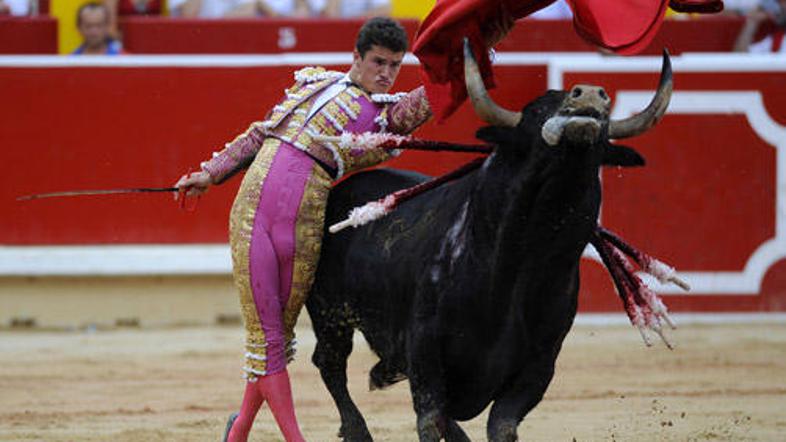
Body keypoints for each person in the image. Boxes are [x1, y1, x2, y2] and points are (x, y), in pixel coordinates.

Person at [174, 17, 432, 441]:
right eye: (378, 62)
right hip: (253, 213)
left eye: (394, 65)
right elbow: (261, 134)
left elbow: (428, 100)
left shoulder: (388, 114)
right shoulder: (314, 84)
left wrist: (470, 58)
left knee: (271, 343)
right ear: (357, 57)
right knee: (266, 340)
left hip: (304, 224)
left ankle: (236, 434)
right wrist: (210, 172)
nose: (385, 73)